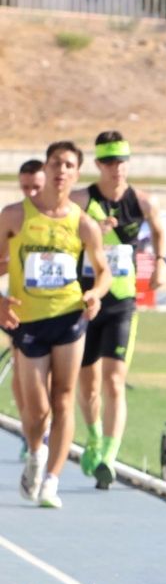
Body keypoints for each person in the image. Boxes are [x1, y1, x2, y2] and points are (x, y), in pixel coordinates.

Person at [0, 141, 108, 508]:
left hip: (68, 316)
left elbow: (103, 271)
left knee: (64, 398)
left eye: (69, 166)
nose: (62, 171)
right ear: (45, 168)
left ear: (77, 174)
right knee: (37, 409)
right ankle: (36, 453)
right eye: (56, 163)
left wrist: (96, 294)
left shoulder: (83, 223)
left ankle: (52, 481)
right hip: (28, 320)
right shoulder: (15, 216)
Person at [72, 130, 166, 488]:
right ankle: (94, 436)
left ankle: (110, 456)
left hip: (122, 301)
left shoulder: (142, 201)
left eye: (122, 161)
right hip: (86, 300)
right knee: (88, 386)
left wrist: (161, 263)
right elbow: (62, 231)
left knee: (114, 380)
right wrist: (91, 231)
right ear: (99, 164)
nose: (117, 168)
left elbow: (159, 230)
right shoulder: (81, 200)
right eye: (110, 162)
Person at [9, 159, 46, 452]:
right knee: (21, 377)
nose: (31, 193)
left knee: (51, 381)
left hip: (59, 308)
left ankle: (43, 430)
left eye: (36, 187)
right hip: (20, 307)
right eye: (25, 188)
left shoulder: (64, 216)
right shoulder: (15, 217)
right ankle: (29, 430)